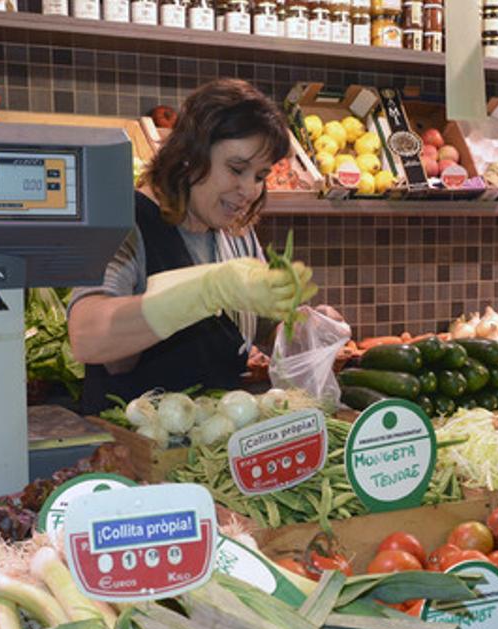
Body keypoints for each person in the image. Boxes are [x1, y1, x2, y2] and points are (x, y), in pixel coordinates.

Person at [69, 79, 318, 413]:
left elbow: (249, 325)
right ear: (190, 154)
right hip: (133, 449)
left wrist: (299, 329)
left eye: (260, 176)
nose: (249, 190)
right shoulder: (128, 223)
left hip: (209, 450)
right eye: (236, 169)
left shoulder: (235, 230)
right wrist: (204, 291)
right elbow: (87, 335)